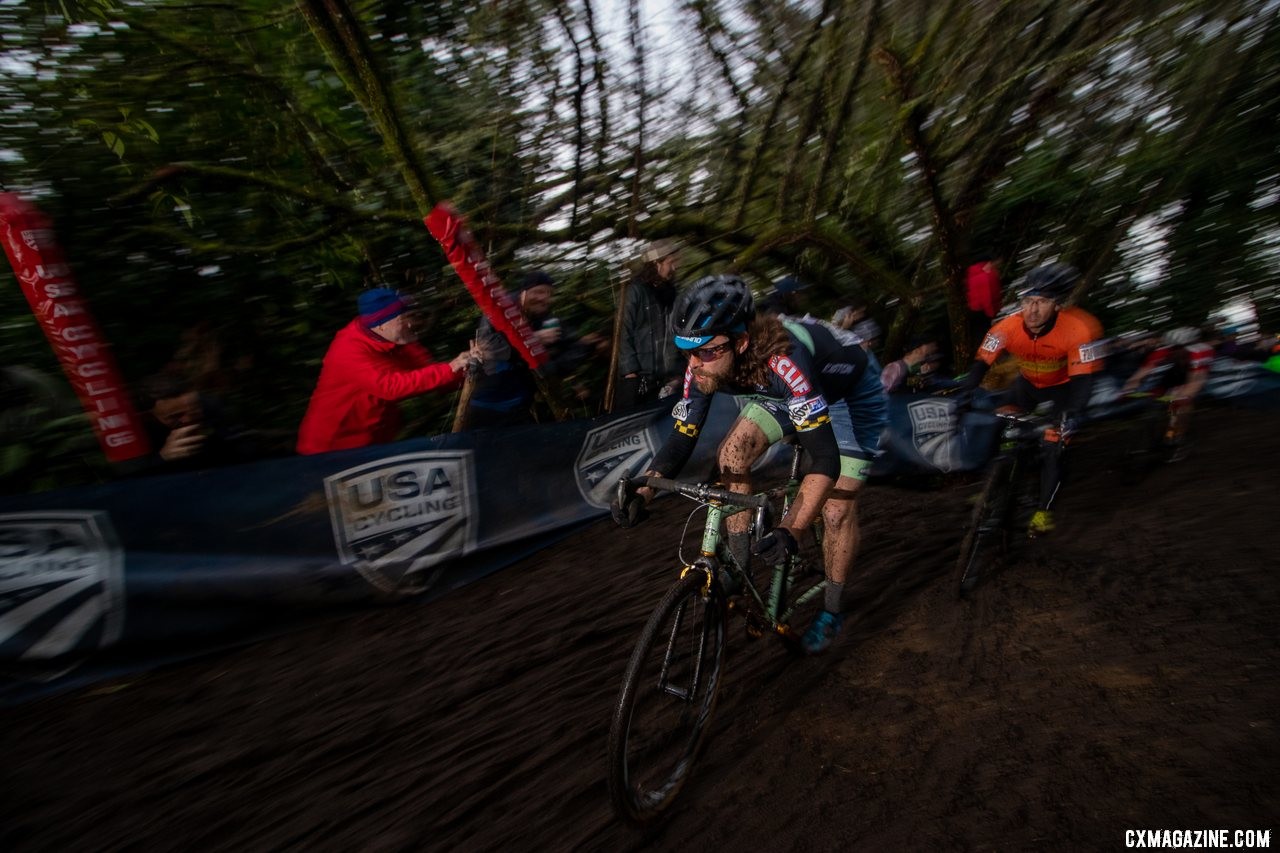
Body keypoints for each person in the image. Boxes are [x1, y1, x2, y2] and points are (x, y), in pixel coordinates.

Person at [610, 275, 889, 655]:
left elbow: (825, 459)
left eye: (706, 352)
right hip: (780, 390)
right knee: (732, 455)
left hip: (849, 394)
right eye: (686, 351)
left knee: (837, 510)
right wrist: (644, 491)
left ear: (740, 342)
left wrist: (792, 529)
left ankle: (832, 610)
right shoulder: (707, 361)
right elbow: (681, 438)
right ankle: (739, 568)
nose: (694, 364)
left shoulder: (784, 361)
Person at [953, 263, 1105, 536]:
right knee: (999, 426)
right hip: (1026, 386)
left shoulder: (1081, 329)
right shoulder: (1006, 326)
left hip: (1065, 389)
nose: (1032, 311)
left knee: (1053, 448)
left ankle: (1043, 511)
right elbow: (980, 364)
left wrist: (1073, 414)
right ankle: (993, 483)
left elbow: (1084, 381)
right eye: (1027, 301)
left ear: (1058, 305)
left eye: (1042, 302)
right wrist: (966, 392)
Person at [297, 287, 476, 454]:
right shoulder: (347, 349)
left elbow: (435, 374)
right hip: (330, 449)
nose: (411, 324)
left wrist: (469, 367)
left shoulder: (400, 341)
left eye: (411, 316)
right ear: (382, 325)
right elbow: (390, 387)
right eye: (404, 318)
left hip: (375, 443)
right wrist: (452, 367)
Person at [466, 270, 595, 427]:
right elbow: (487, 348)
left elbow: (577, 347)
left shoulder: (548, 320)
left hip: (521, 407)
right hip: (485, 405)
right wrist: (533, 339)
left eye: (549, 293)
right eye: (538, 292)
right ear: (524, 292)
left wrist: (551, 367)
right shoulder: (499, 311)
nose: (544, 298)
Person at [1121, 326, 1214, 459]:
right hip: (1173, 374)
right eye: (1172, 348)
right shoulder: (1163, 351)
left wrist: (1182, 398)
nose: (1175, 351)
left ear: (1190, 345)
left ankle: (1177, 436)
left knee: (1179, 404)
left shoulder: (1201, 352)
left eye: (1179, 348)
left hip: (1194, 376)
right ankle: (1151, 436)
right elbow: (1142, 373)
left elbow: (1195, 381)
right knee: (1154, 403)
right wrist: (1129, 388)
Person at [137, 371, 259, 471]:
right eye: (176, 416)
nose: (188, 419)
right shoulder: (141, 431)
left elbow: (245, 444)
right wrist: (162, 458)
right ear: (151, 416)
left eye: (194, 409)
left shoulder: (211, 405)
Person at [614, 240, 684, 412]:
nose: (674, 269)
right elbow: (624, 332)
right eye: (670, 263)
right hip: (638, 378)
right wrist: (630, 373)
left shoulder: (671, 294)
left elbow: (675, 334)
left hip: (665, 380)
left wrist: (677, 372)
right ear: (656, 263)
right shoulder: (634, 291)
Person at [880, 334, 955, 394]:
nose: (929, 356)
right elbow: (882, 392)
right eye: (926, 354)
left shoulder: (915, 369)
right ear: (916, 351)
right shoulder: (896, 367)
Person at [965, 255, 1002, 351]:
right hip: (984, 311)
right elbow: (987, 297)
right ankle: (989, 356)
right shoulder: (988, 275)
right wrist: (992, 314)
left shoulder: (971, 273)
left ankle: (982, 356)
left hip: (973, 310)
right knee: (988, 334)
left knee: (979, 336)